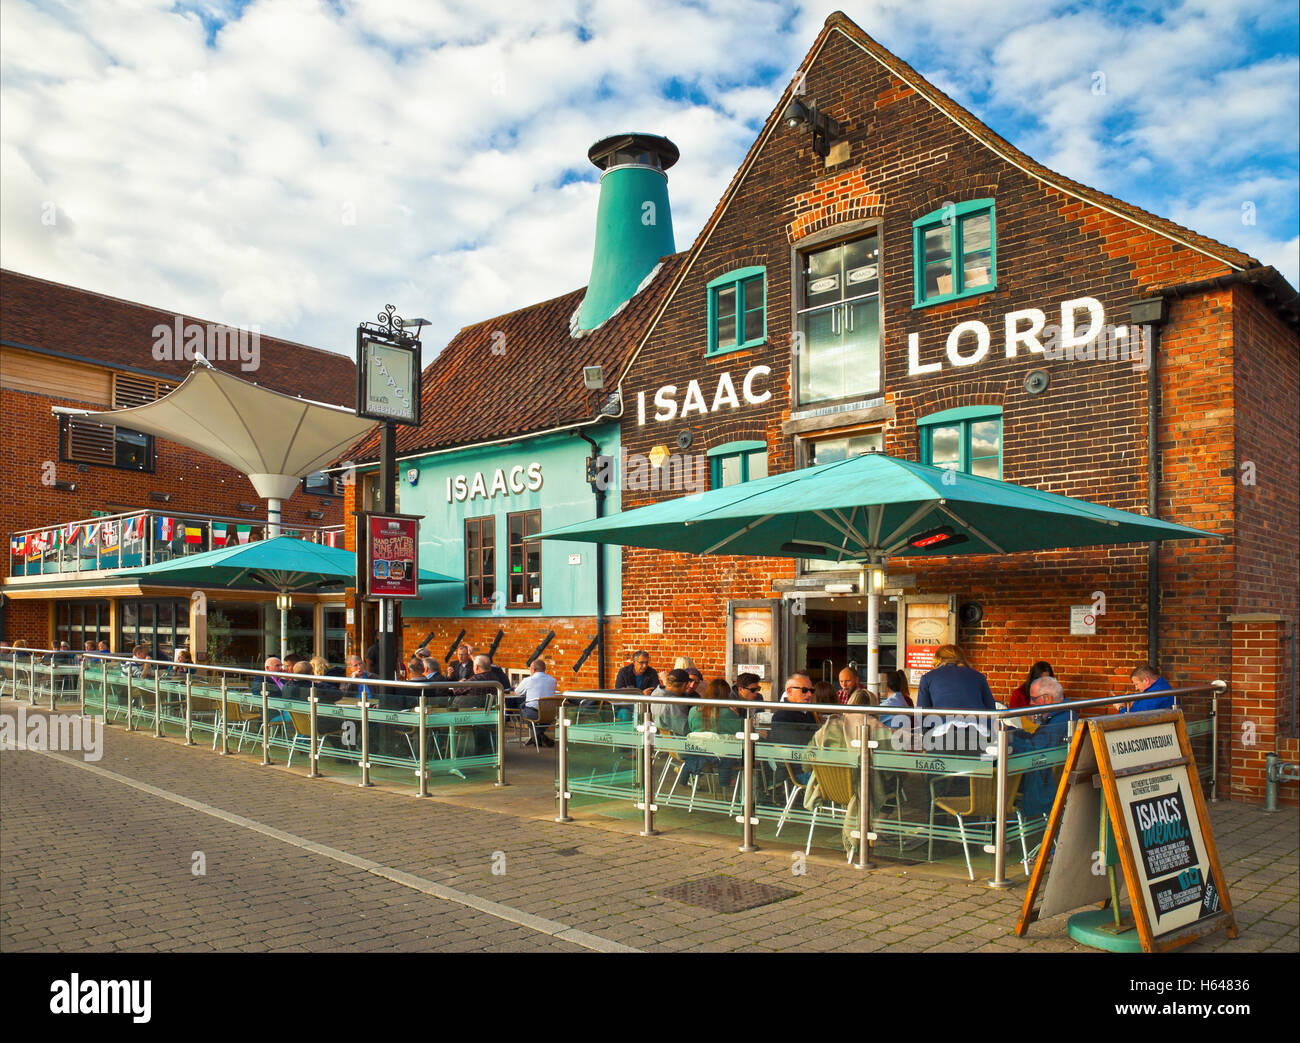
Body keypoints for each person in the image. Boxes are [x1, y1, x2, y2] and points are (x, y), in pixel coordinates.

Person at [1012, 675, 1075, 816]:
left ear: (1047, 698)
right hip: (1044, 785)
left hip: (1042, 787)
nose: (1030, 703)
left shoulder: (1062, 720)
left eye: (1033, 699)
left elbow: (1037, 749)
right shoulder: (1064, 715)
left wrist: (1009, 737)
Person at [916, 644, 995, 753]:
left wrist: (925, 736)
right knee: (977, 769)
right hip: (977, 733)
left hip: (941, 733)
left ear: (938, 658)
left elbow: (921, 713)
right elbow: (991, 708)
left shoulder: (928, 678)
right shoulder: (978, 676)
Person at [684, 678, 743, 787]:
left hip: (698, 755)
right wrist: (737, 715)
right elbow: (741, 732)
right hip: (724, 758)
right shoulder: (729, 713)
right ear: (727, 694)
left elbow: (692, 729)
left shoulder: (694, 710)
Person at [768, 674, 818, 785]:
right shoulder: (782, 716)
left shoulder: (807, 712)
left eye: (811, 690)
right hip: (799, 772)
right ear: (789, 691)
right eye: (804, 690)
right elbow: (798, 749)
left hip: (812, 767)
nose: (809, 694)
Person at [515, 658, 559, 747]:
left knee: (522, 709)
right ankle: (540, 736)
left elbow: (517, 692)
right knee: (536, 717)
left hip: (533, 713)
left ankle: (536, 737)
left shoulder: (528, 680)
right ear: (544, 670)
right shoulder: (553, 680)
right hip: (549, 714)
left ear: (533, 670)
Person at [651, 669, 692, 735]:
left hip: (658, 739)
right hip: (674, 742)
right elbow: (684, 730)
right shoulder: (675, 703)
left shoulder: (655, 694)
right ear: (685, 685)